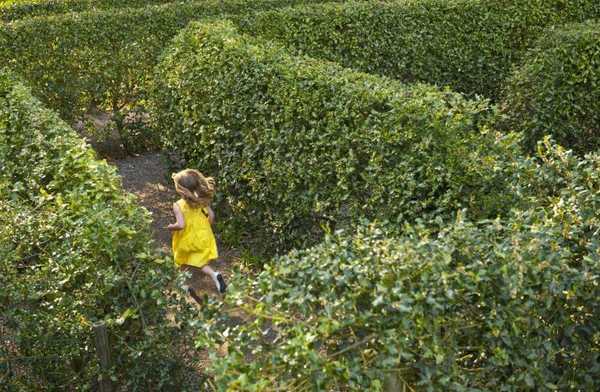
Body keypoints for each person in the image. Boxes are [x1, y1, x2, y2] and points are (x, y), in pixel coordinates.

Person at [167, 169, 226, 303]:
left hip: (186, 238)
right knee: (200, 261)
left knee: (181, 262)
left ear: (181, 190)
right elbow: (211, 216)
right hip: (202, 235)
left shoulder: (177, 205)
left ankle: (184, 286)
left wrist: (171, 227)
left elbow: (181, 225)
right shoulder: (201, 201)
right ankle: (214, 275)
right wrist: (206, 227)